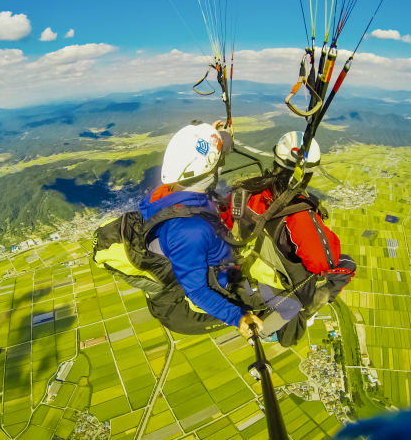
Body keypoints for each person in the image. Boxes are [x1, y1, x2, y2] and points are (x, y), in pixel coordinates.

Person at [223, 131, 356, 346]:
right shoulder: (298, 213)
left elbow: (228, 221)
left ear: (276, 159)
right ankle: (297, 317)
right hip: (270, 281)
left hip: (243, 269)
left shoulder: (247, 189)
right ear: (309, 173)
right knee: (347, 265)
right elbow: (322, 263)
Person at [137, 121, 263, 338]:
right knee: (280, 304)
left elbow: (205, 162)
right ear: (210, 170)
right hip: (215, 288)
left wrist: (213, 137)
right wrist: (238, 317)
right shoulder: (189, 231)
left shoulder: (167, 190)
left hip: (212, 258)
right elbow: (197, 291)